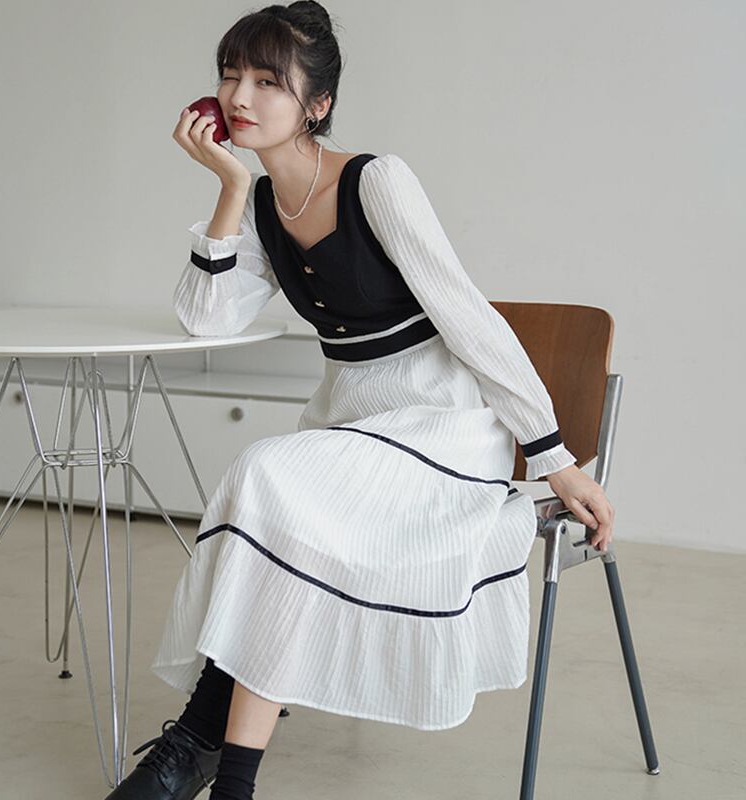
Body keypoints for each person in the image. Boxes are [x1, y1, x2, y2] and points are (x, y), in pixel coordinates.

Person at [106, 2, 615, 798]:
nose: (239, 96)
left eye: (267, 81)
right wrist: (231, 186)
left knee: (267, 476)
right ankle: (224, 774)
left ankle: (199, 750)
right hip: (348, 428)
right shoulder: (263, 204)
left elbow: (468, 318)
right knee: (280, 513)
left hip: (439, 426)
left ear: (317, 104)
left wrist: (554, 458)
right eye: (231, 75)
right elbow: (206, 318)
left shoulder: (376, 181)